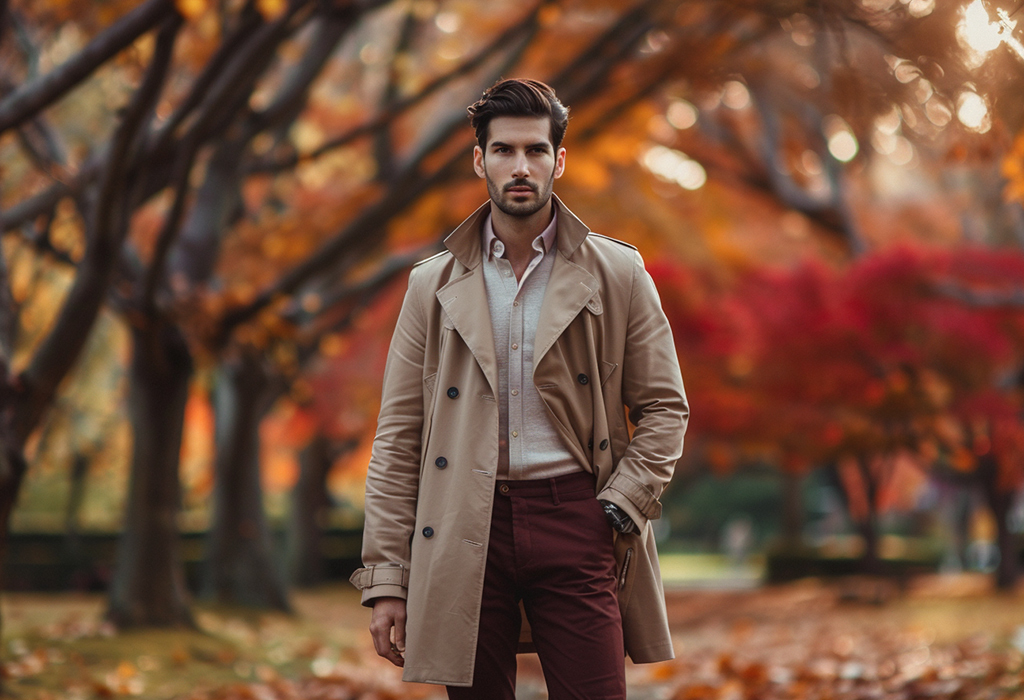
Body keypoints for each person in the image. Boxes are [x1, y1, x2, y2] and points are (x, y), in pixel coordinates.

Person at [349, 78, 688, 699]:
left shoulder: (617, 273)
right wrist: (388, 580)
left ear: (560, 160)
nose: (521, 166)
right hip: (461, 523)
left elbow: (666, 407)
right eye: (504, 151)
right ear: (479, 159)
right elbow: (399, 438)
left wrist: (620, 503)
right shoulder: (432, 285)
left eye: (536, 150)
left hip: (576, 517)